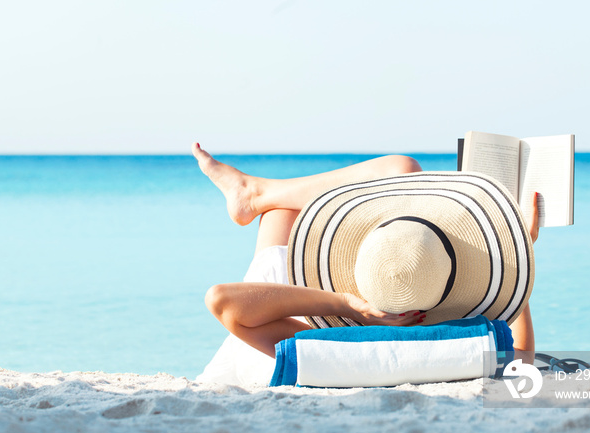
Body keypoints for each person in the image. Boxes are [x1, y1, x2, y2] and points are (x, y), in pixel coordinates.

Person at [192, 143, 539, 384]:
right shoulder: (445, 347)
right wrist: (518, 255)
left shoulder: (337, 346)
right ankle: (255, 194)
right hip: (329, 306)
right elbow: (521, 356)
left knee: (396, 170)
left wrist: (347, 305)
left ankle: (255, 193)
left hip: (280, 305)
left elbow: (222, 301)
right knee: (400, 169)